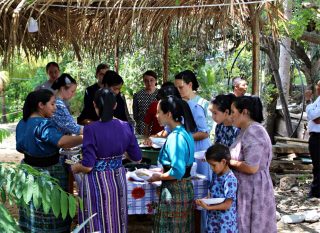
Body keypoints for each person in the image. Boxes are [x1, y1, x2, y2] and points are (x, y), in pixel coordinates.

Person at [71, 89, 142, 233]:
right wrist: (121, 154)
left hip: (96, 181)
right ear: (115, 105)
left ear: (94, 105)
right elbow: (137, 158)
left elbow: (88, 166)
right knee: (116, 218)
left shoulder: (91, 129)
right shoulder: (126, 126)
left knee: (96, 220)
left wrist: (75, 167)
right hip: (118, 181)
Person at [16, 89, 82, 233]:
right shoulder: (43, 124)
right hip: (49, 172)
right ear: (41, 105)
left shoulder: (22, 122)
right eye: (52, 104)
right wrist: (86, 136)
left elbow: (20, 148)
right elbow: (62, 142)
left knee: (33, 207)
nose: (55, 107)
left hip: (27, 170)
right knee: (52, 209)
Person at [148, 95, 196, 233]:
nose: (156, 116)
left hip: (175, 191)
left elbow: (177, 171)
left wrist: (158, 177)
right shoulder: (185, 133)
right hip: (183, 188)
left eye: (159, 112)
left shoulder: (176, 137)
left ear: (168, 114)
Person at [229, 96, 276, 233]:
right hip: (247, 188)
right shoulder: (245, 130)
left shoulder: (254, 131)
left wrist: (227, 161)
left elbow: (251, 167)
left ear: (244, 112)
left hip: (253, 189)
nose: (231, 116)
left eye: (233, 112)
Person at [195, 144, 238, 233]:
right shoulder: (216, 175)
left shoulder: (230, 179)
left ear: (223, 162)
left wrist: (208, 207)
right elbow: (212, 193)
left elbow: (227, 204)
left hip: (225, 223)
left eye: (213, 165)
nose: (211, 168)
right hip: (213, 219)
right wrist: (204, 200)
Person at [305, 79, 320, 198]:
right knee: (316, 164)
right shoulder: (318, 99)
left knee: (318, 165)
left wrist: (308, 102)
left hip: (318, 137)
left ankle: (315, 191)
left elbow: (313, 116)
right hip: (315, 136)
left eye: (319, 87)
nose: (317, 88)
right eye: (317, 86)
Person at [133, 70, 159, 135]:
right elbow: (135, 113)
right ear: (143, 81)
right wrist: (140, 123)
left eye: (151, 80)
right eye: (146, 80)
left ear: (155, 80)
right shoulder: (138, 95)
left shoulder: (160, 94)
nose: (149, 83)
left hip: (157, 127)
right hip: (142, 127)